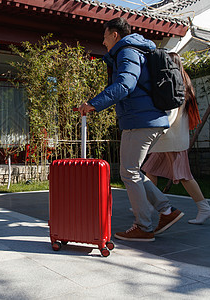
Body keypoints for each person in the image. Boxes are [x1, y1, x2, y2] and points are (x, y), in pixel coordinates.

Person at [78, 17, 184, 242]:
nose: (103, 41)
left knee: (128, 172)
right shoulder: (134, 50)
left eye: (105, 36)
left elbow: (125, 84)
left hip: (141, 121)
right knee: (132, 170)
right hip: (145, 119)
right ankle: (166, 211)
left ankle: (144, 226)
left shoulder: (127, 51)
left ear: (114, 34)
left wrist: (94, 103)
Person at [142, 52, 210, 225]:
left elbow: (171, 115)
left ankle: (205, 208)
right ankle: (148, 204)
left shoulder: (176, 85)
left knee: (184, 176)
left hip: (171, 140)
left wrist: (155, 129)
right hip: (169, 140)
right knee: (150, 170)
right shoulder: (183, 84)